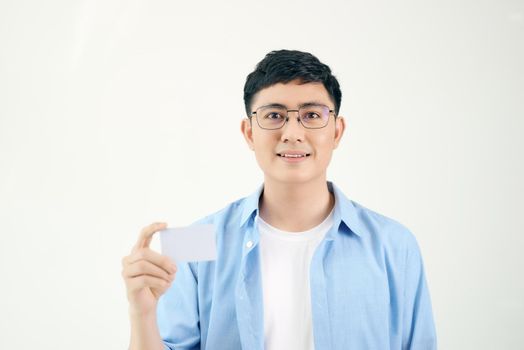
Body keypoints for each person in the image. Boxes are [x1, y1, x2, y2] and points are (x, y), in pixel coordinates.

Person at [121, 49, 437, 350]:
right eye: (274, 115)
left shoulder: (393, 245)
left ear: (337, 132)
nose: (292, 132)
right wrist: (142, 313)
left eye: (312, 115)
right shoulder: (194, 241)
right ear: (249, 133)